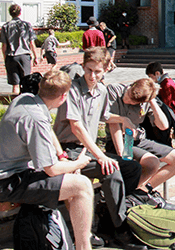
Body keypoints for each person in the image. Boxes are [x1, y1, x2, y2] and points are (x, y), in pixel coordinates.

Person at [0, 69, 94, 250]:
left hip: (4, 175)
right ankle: (83, 246)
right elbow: (51, 170)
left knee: (72, 179)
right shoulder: (36, 119)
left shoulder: (25, 99)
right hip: (5, 183)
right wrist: (78, 163)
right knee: (83, 186)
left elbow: (47, 132)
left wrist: (62, 157)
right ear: (63, 97)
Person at [53, 47, 143, 243]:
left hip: (87, 150)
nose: (92, 76)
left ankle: (108, 220)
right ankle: (120, 229)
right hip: (68, 150)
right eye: (88, 70)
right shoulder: (73, 90)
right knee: (111, 170)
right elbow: (76, 127)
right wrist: (101, 156)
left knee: (133, 168)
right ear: (83, 67)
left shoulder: (102, 90)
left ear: (106, 69)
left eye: (97, 71)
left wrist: (124, 120)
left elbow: (105, 116)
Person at [105, 78, 175, 211]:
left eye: (132, 101)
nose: (127, 100)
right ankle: (132, 197)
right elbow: (114, 125)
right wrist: (123, 154)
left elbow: (163, 126)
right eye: (129, 95)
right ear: (132, 85)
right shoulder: (115, 91)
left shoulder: (146, 101)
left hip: (139, 139)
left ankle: (141, 192)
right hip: (123, 140)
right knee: (152, 162)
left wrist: (152, 101)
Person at [0, 4, 39, 94]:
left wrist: (5, 58)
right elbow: (32, 43)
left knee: (15, 84)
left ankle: (14, 104)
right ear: (20, 13)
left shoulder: (6, 26)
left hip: (11, 56)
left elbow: (4, 46)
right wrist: (36, 56)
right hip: (24, 56)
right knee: (27, 82)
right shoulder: (26, 25)